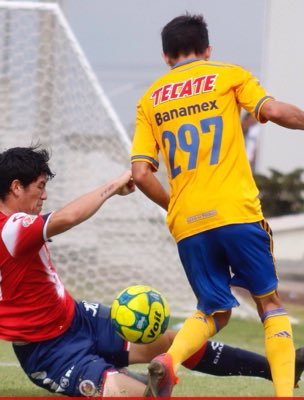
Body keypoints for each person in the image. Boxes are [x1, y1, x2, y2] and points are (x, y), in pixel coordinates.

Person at [0, 146, 303, 397]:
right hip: (48, 351)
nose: (44, 194)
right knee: (139, 393)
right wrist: (114, 184)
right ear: (16, 186)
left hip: (78, 319)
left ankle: (276, 368)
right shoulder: (15, 228)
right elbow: (67, 218)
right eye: (39, 186)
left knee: (172, 344)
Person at [130, 13, 304, 397]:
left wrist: (175, 203)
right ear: (207, 50)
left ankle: (169, 361)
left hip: (188, 221)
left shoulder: (149, 99)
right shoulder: (228, 75)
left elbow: (141, 173)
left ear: (165, 56)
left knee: (212, 310)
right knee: (269, 304)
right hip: (235, 211)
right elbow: (272, 112)